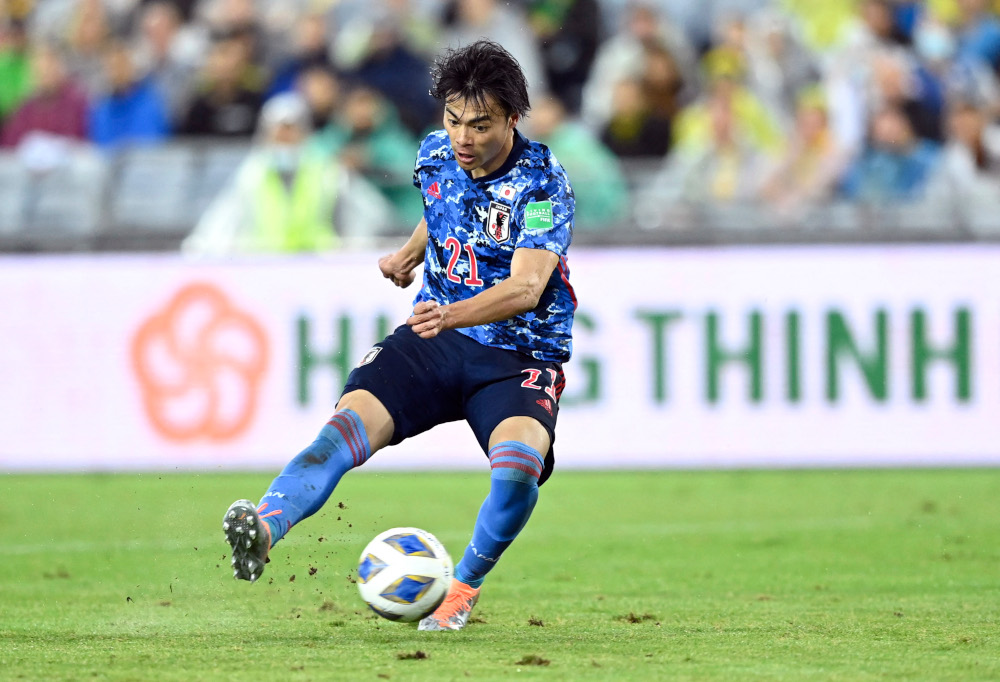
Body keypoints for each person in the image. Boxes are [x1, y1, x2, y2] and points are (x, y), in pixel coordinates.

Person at [221, 40, 576, 632]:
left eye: (481, 125)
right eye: (454, 120)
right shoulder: (437, 154)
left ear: (514, 119)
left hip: (517, 354)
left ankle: (460, 591)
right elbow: (444, 207)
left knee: (518, 467)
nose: (463, 138)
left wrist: (453, 313)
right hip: (434, 340)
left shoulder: (542, 184)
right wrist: (411, 254)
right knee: (342, 428)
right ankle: (263, 526)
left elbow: (528, 287)